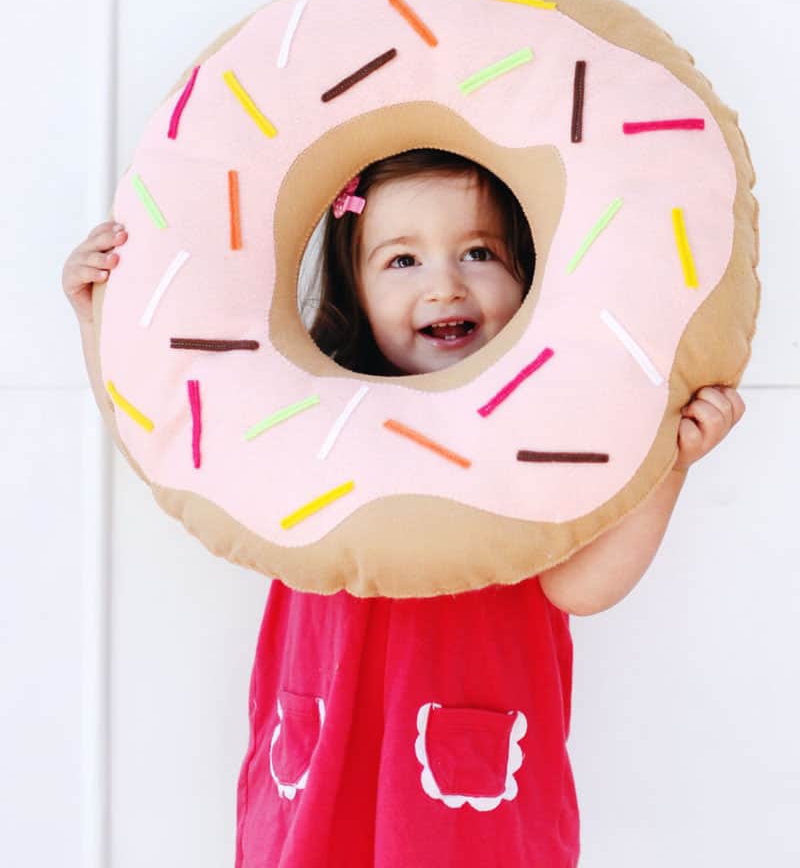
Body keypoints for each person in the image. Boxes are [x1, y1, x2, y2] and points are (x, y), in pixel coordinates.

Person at [62, 148, 745, 867]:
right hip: (318, 772)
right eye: (402, 261)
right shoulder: (296, 419)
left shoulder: (538, 432)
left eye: (478, 251)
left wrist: (669, 470)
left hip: (470, 799)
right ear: (354, 288)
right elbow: (165, 438)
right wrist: (96, 326)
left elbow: (579, 587)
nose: (445, 285)